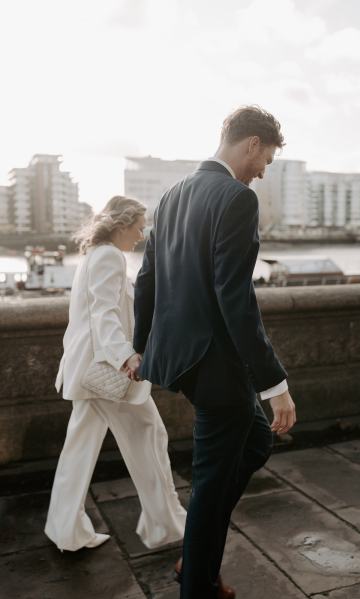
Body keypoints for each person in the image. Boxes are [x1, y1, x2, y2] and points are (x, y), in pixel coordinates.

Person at [132, 106, 296, 599]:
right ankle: (197, 584)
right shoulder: (236, 198)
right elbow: (236, 299)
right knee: (211, 480)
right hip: (217, 365)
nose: (263, 171)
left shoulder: (170, 195)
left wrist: (143, 347)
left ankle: (198, 553)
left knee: (255, 445)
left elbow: (146, 281)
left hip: (181, 359)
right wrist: (277, 385)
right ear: (250, 144)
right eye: (265, 159)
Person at [44, 196, 186, 552]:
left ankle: (66, 531)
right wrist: (127, 357)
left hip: (85, 372)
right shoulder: (108, 256)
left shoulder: (92, 255)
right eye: (138, 227)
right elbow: (104, 315)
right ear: (122, 224)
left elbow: (93, 315)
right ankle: (167, 526)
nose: (141, 234)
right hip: (106, 374)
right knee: (149, 436)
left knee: (78, 450)